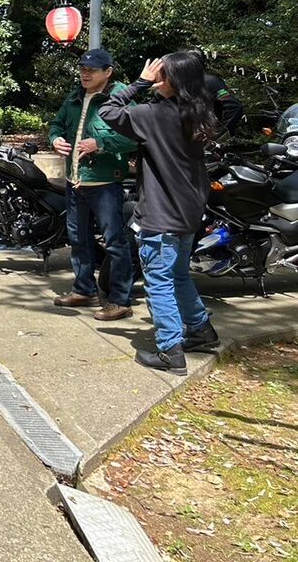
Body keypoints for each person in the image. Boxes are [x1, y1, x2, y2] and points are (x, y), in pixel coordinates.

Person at [99, 52, 218, 375]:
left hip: (161, 214)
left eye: (160, 73)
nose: (155, 77)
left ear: (173, 81)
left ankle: (170, 351)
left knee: (159, 282)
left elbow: (108, 111)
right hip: (189, 212)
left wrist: (139, 82)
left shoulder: (153, 115)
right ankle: (200, 329)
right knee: (178, 274)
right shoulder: (198, 113)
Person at [48, 49, 139, 320]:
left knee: (114, 241)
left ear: (108, 72)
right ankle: (84, 289)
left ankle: (120, 300)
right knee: (78, 238)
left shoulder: (122, 98)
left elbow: (138, 136)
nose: (85, 74)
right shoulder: (74, 96)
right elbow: (57, 125)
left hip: (105, 182)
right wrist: (55, 139)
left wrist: (101, 144)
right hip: (75, 180)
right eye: (82, 69)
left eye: (92, 70)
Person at [187, 47, 244, 134]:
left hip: (202, 136)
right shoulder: (175, 83)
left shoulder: (210, 82)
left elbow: (233, 106)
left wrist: (221, 134)